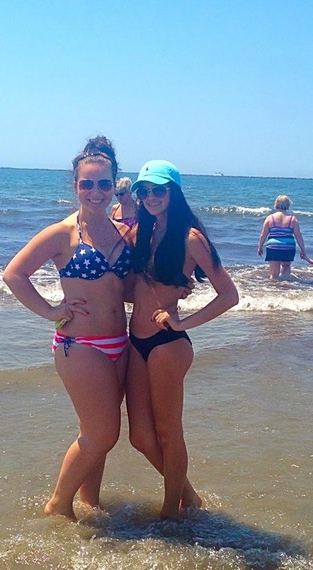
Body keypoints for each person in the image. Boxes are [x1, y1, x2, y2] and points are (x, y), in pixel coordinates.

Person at [3, 136, 133, 521]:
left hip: (120, 342)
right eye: (87, 183)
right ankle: (59, 504)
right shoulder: (62, 233)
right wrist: (51, 310)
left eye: (104, 183)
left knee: (95, 431)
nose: (96, 191)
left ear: (114, 184)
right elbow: (14, 274)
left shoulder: (122, 231)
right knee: (103, 432)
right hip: (80, 344)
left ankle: (90, 503)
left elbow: (124, 289)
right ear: (75, 185)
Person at [125, 160, 239, 519]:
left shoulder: (190, 238)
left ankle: (170, 512)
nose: (151, 197)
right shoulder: (141, 232)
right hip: (135, 341)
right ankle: (188, 496)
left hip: (167, 345)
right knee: (140, 437)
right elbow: (131, 289)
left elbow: (229, 295)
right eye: (144, 191)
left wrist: (182, 322)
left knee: (168, 432)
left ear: (173, 192)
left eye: (159, 190)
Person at [257, 195, 307, 281]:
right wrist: (303, 250)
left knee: (274, 274)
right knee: (286, 269)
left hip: (273, 247)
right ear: (288, 205)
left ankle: (273, 287)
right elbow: (298, 236)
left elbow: (263, 234)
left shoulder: (270, 218)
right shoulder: (293, 219)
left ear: (276, 204)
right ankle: (285, 286)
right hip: (288, 247)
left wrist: (260, 247)